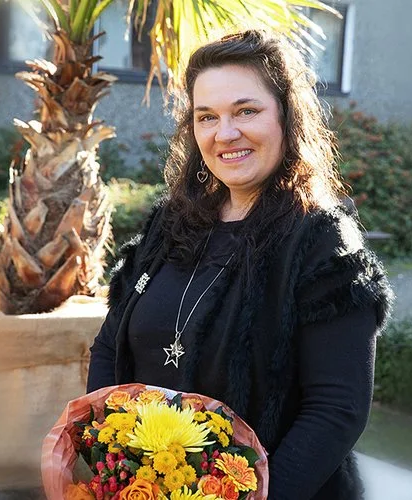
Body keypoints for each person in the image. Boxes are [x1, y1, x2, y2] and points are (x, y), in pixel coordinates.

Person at [87, 29, 393, 500]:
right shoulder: (169, 224)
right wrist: (112, 466)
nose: (225, 133)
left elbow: (336, 409)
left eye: (246, 111)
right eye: (206, 116)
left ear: (286, 117)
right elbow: (110, 346)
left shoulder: (322, 242)